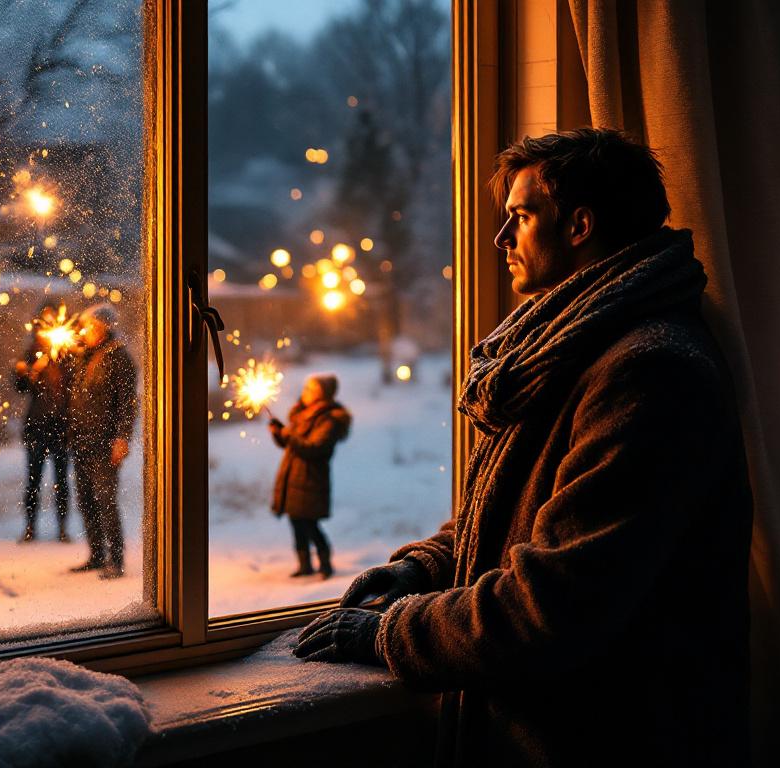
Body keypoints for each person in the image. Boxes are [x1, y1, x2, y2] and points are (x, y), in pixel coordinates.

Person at [293, 129, 753, 767]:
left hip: (615, 741)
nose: (499, 239)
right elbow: (518, 511)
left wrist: (391, 632)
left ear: (580, 225)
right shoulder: (565, 351)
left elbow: (556, 603)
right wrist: (425, 568)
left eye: (520, 216)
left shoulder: (648, 372)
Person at [66, 303, 137, 579]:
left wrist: (122, 437)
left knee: (106, 500)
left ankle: (116, 560)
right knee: (85, 500)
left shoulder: (119, 358)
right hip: (82, 440)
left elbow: (127, 403)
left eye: (91, 327)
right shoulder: (86, 355)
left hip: (105, 443)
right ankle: (96, 555)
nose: (86, 331)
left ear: (104, 327)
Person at [267, 374, 351, 579]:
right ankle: (304, 565)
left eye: (309, 389)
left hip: (310, 480)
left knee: (310, 524)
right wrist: (279, 433)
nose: (304, 392)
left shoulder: (329, 420)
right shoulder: (302, 414)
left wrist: (288, 435)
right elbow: (291, 445)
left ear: (321, 394)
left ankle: (325, 564)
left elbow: (314, 448)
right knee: (296, 522)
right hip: (293, 478)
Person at [13, 301, 74, 543]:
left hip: (61, 427)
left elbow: (75, 388)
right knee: (33, 481)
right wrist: (25, 373)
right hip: (36, 427)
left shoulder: (68, 355)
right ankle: (30, 526)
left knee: (61, 482)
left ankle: (62, 528)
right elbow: (20, 388)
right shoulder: (31, 353)